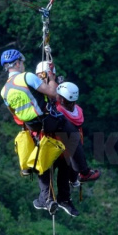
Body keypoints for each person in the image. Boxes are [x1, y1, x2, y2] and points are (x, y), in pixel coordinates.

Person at [0, 49, 100, 212]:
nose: (23, 65)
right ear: (17, 63)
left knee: (43, 159)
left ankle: (46, 198)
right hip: (48, 120)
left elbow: (15, 115)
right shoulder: (27, 77)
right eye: (22, 62)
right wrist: (51, 78)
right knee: (73, 138)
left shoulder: (4, 91)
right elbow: (53, 93)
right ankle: (83, 172)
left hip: (32, 126)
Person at [34, 64, 84, 217]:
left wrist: (49, 80)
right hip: (67, 150)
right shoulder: (78, 111)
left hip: (52, 146)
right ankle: (63, 199)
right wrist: (53, 79)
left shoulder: (55, 108)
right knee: (64, 172)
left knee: (43, 171)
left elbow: (49, 98)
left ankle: (47, 199)